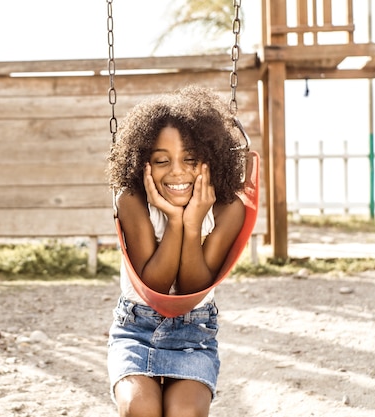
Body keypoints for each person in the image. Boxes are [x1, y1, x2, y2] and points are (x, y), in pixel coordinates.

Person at [106, 84, 247, 417]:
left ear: (211, 161)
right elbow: (155, 288)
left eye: (191, 159)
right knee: (140, 410)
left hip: (193, 332)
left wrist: (194, 224)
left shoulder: (229, 210)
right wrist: (173, 221)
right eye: (161, 160)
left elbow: (190, 290)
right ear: (143, 164)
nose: (177, 171)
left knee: (184, 413)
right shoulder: (132, 201)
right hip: (136, 328)